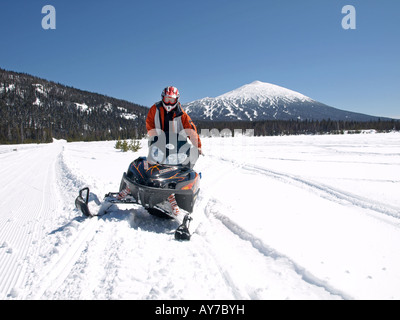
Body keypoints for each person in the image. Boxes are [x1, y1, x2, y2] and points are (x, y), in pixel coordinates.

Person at [146, 86, 202, 155]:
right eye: (167, 99)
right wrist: (155, 137)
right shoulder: (155, 109)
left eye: (172, 100)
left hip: (177, 145)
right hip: (158, 142)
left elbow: (191, 130)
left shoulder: (182, 114)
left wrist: (197, 146)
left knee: (182, 161)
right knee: (154, 161)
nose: (169, 103)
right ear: (162, 98)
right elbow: (149, 124)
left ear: (176, 100)